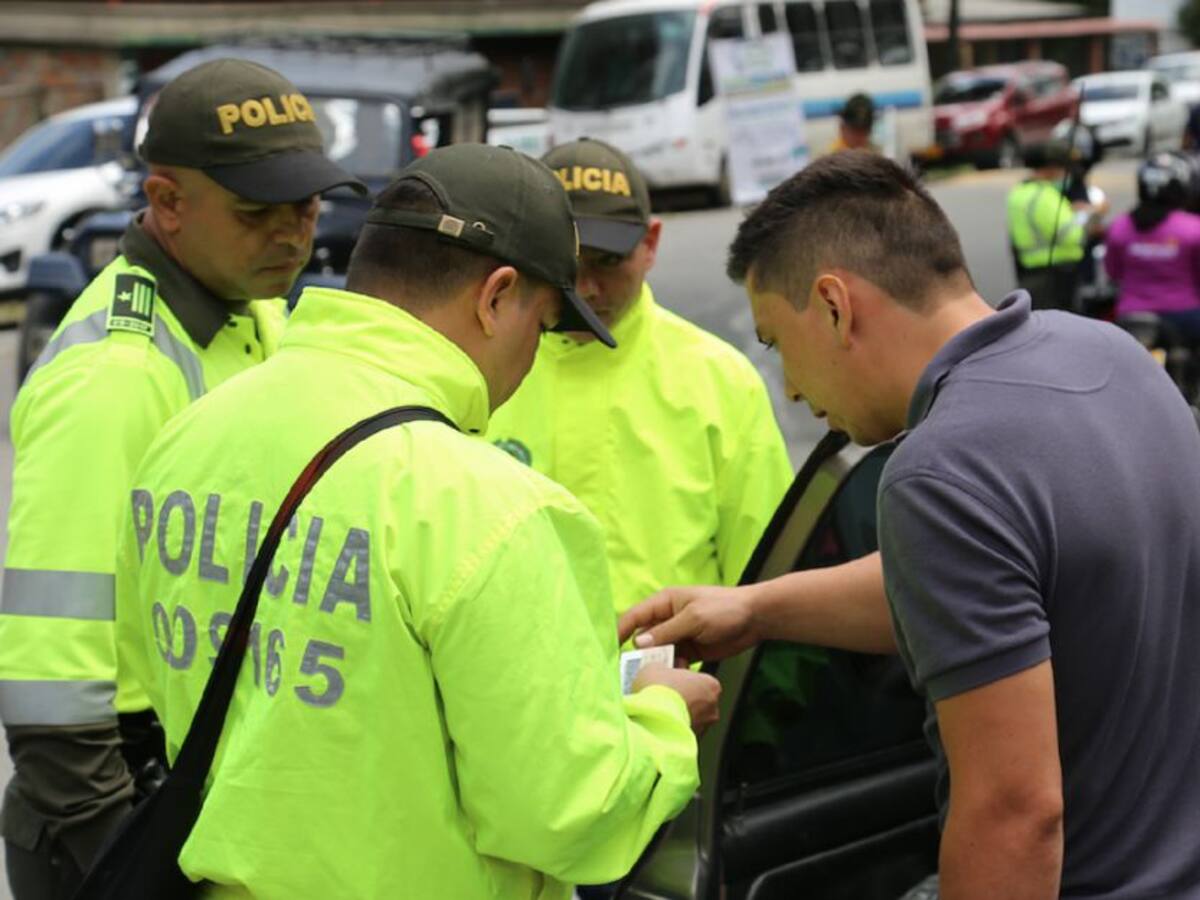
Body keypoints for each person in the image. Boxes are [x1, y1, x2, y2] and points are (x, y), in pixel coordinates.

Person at [113, 143, 719, 899]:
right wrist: (663, 718)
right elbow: (567, 816)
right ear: (497, 297)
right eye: (546, 321)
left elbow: (147, 680)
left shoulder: (187, 438)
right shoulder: (489, 506)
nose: (536, 355)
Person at [619, 151, 1200, 898]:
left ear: (834, 304)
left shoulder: (940, 468)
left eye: (775, 343)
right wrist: (757, 608)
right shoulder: (1109, 355)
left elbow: (1015, 812)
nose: (791, 388)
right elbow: (990, 587)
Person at [0, 58, 364, 899]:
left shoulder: (256, 310)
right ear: (167, 203)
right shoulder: (115, 374)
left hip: (195, 784)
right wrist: (128, 866)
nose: (292, 235)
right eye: (256, 213)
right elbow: (52, 694)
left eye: (306, 207)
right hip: (115, 812)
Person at [487, 138, 792, 619]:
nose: (587, 289)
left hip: (680, 689)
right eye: (569, 264)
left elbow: (768, 583)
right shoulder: (477, 375)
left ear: (649, 244)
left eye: (608, 262)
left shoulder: (719, 381)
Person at [1105, 151, 1200, 341]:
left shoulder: (1120, 226)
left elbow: (1113, 273)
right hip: (1185, 318)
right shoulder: (1193, 228)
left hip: (1131, 318)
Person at [1006, 137, 1104, 311]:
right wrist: (1091, 219)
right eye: (1063, 169)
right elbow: (1071, 236)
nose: (1066, 174)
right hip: (1056, 276)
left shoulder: (1019, 192)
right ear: (1050, 168)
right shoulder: (1046, 197)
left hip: (1029, 273)